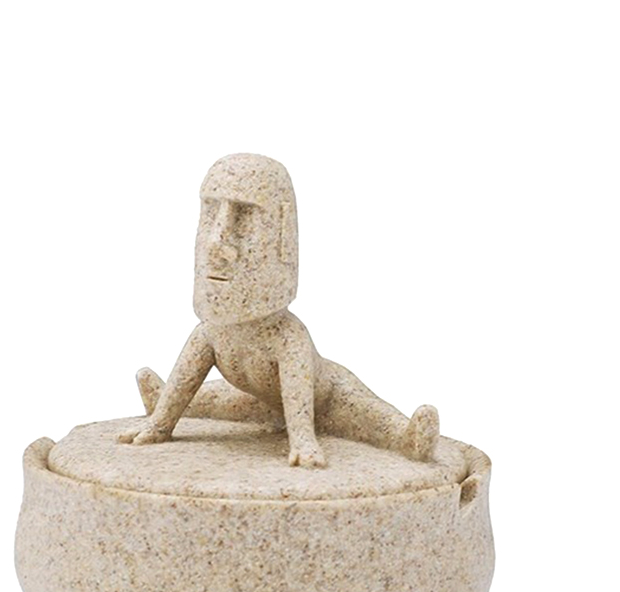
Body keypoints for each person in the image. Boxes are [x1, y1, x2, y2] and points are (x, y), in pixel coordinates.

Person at [118, 153, 439, 467]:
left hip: (328, 397)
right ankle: (159, 400)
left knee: (365, 410)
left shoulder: (287, 336)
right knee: (217, 400)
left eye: (245, 216)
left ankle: (407, 438)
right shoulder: (209, 334)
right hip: (267, 401)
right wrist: (159, 425)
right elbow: (187, 380)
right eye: (211, 211)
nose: (218, 242)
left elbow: (299, 400)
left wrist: (303, 442)